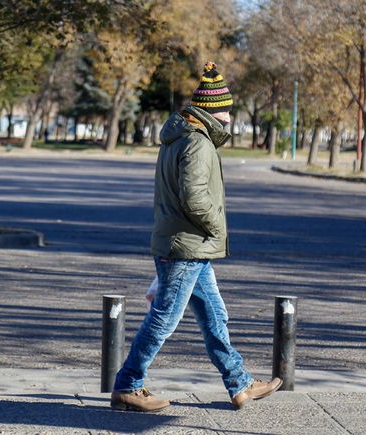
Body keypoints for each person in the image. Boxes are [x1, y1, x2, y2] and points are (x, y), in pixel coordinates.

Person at [111, 62, 282, 412]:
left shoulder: (178, 138)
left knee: (214, 315)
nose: (229, 118)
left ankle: (239, 383)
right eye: (226, 111)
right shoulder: (197, 143)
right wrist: (217, 227)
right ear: (211, 111)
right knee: (163, 319)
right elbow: (194, 197)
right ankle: (128, 385)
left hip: (188, 244)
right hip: (187, 245)